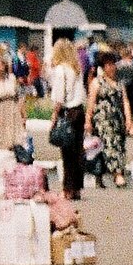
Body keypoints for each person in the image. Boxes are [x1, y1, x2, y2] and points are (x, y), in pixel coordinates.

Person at [45, 38, 87, 199]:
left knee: (67, 153)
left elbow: (59, 97)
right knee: (78, 150)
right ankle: (77, 187)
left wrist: (54, 117)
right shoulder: (76, 69)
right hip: (79, 111)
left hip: (67, 112)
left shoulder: (60, 70)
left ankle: (67, 189)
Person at [90, 48, 132, 189]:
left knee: (118, 146)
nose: (111, 67)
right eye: (108, 65)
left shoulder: (119, 83)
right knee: (108, 146)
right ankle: (117, 175)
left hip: (117, 120)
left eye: (113, 64)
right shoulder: (97, 82)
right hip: (102, 121)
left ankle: (100, 176)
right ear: (103, 67)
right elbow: (91, 102)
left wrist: (128, 119)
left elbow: (125, 101)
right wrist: (87, 120)